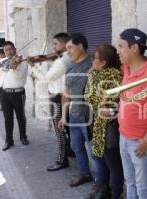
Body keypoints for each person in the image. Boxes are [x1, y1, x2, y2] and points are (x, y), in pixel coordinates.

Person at [117, 28, 147, 199]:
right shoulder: (125, 69)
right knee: (129, 181)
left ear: (134, 48)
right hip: (124, 137)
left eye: (121, 46)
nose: (118, 51)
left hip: (140, 141)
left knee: (143, 188)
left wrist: (146, 141)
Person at [29, 32, 74, 171]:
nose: (53, 47)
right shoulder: (67, 57)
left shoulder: (62, 61)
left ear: (64, 44)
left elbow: (46, 78)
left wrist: (33, 67)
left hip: (58, 97)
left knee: (59, 130)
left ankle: (62, 160)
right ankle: (70, 151)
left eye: (55, 44)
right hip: (62, 94)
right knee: (66, 128)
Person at [84, 44, 124, 199]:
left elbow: (91, 98)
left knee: (113, 163)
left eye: (95, 58)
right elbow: (90, 97)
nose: (92, 61)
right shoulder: (98, 73)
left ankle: (115, 193)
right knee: (104, 160)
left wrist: (91, 77)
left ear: (104, 62)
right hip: (99, 124)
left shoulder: (113, 75)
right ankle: (105, 190)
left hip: (109, 125)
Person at [58, 33, 93, 187]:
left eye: (70, 48)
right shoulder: (70, 66)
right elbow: (66, 94)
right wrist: (63, 116)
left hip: (90, 116)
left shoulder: (94, 63)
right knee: (76, 146)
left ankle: (102, 183)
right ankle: (85, 174)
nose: (68, 52)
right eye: (66, 49)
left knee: (94, 151)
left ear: (80, 46)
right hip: (74, 115)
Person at [0, 41, 29, 151]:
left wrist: (14, 66)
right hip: (4, 93)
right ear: (4, 52)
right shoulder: (2, 60)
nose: (9, 52)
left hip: (18, 93)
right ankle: (9, 140)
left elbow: (20, 75)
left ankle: (23, 137)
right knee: (7, 118)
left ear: (15, 49)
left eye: (11, 49)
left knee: (20, 116)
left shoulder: (22, 61)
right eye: (6, 50)